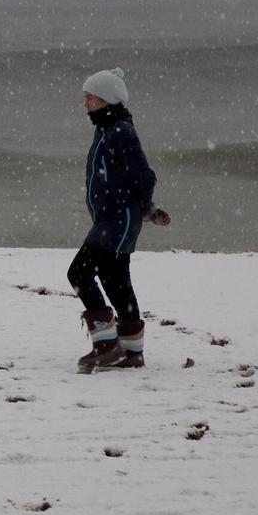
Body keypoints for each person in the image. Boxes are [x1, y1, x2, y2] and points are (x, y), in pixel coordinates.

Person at [68, 68, 170, 373]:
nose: (85, 104)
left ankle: (106, 346)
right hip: (113, 218)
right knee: (116, 280)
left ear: (107, 100)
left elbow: (144, 175)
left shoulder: (120, 131)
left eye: (91, 98)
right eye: (85, 98)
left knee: (79, 273)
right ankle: (131, 352)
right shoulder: (106, 129)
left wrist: (146, 207)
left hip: (119, 219)